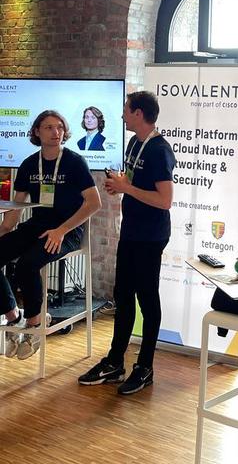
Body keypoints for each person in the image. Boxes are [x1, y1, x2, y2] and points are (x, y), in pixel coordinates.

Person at [78, 90, 175, 395]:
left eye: (126, 110)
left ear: (138, 114)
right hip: (131, 231)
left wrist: (127, 188)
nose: (121, 115)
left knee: (147, 299)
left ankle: (145, 367)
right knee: (122, 295)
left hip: (151, 236)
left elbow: (165, 200)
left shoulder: (159, 150)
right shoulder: (134, 143)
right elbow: (132, 182)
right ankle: (115, 361)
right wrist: (119, 184)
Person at [0, 110, 101, 360]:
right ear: (37, 132)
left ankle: (34, 325)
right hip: (36, 226)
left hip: (67, 231)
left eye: (60, 127)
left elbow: (94, 203)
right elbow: (15, 211)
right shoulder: (28, 164)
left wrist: (62, 230)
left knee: (27, 265)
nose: (56, 132)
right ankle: (13, 316)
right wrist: (3, 230)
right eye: (48, 127)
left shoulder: (75, 162)